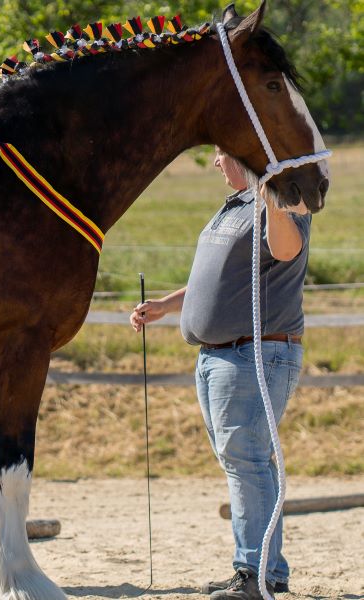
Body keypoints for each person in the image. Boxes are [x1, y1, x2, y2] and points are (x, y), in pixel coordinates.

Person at [130, 147, 310, 599]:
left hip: (255, 354)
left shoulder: (286, 201)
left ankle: (253, 573)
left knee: (246, 460)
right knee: (248, 461)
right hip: (220, 356)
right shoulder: (234, 205)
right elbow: (217, 277)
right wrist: (168, 305)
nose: (215, 162)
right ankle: (268, 570)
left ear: (244, 156)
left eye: (220, 153)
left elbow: (287, 250)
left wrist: (270, 194)